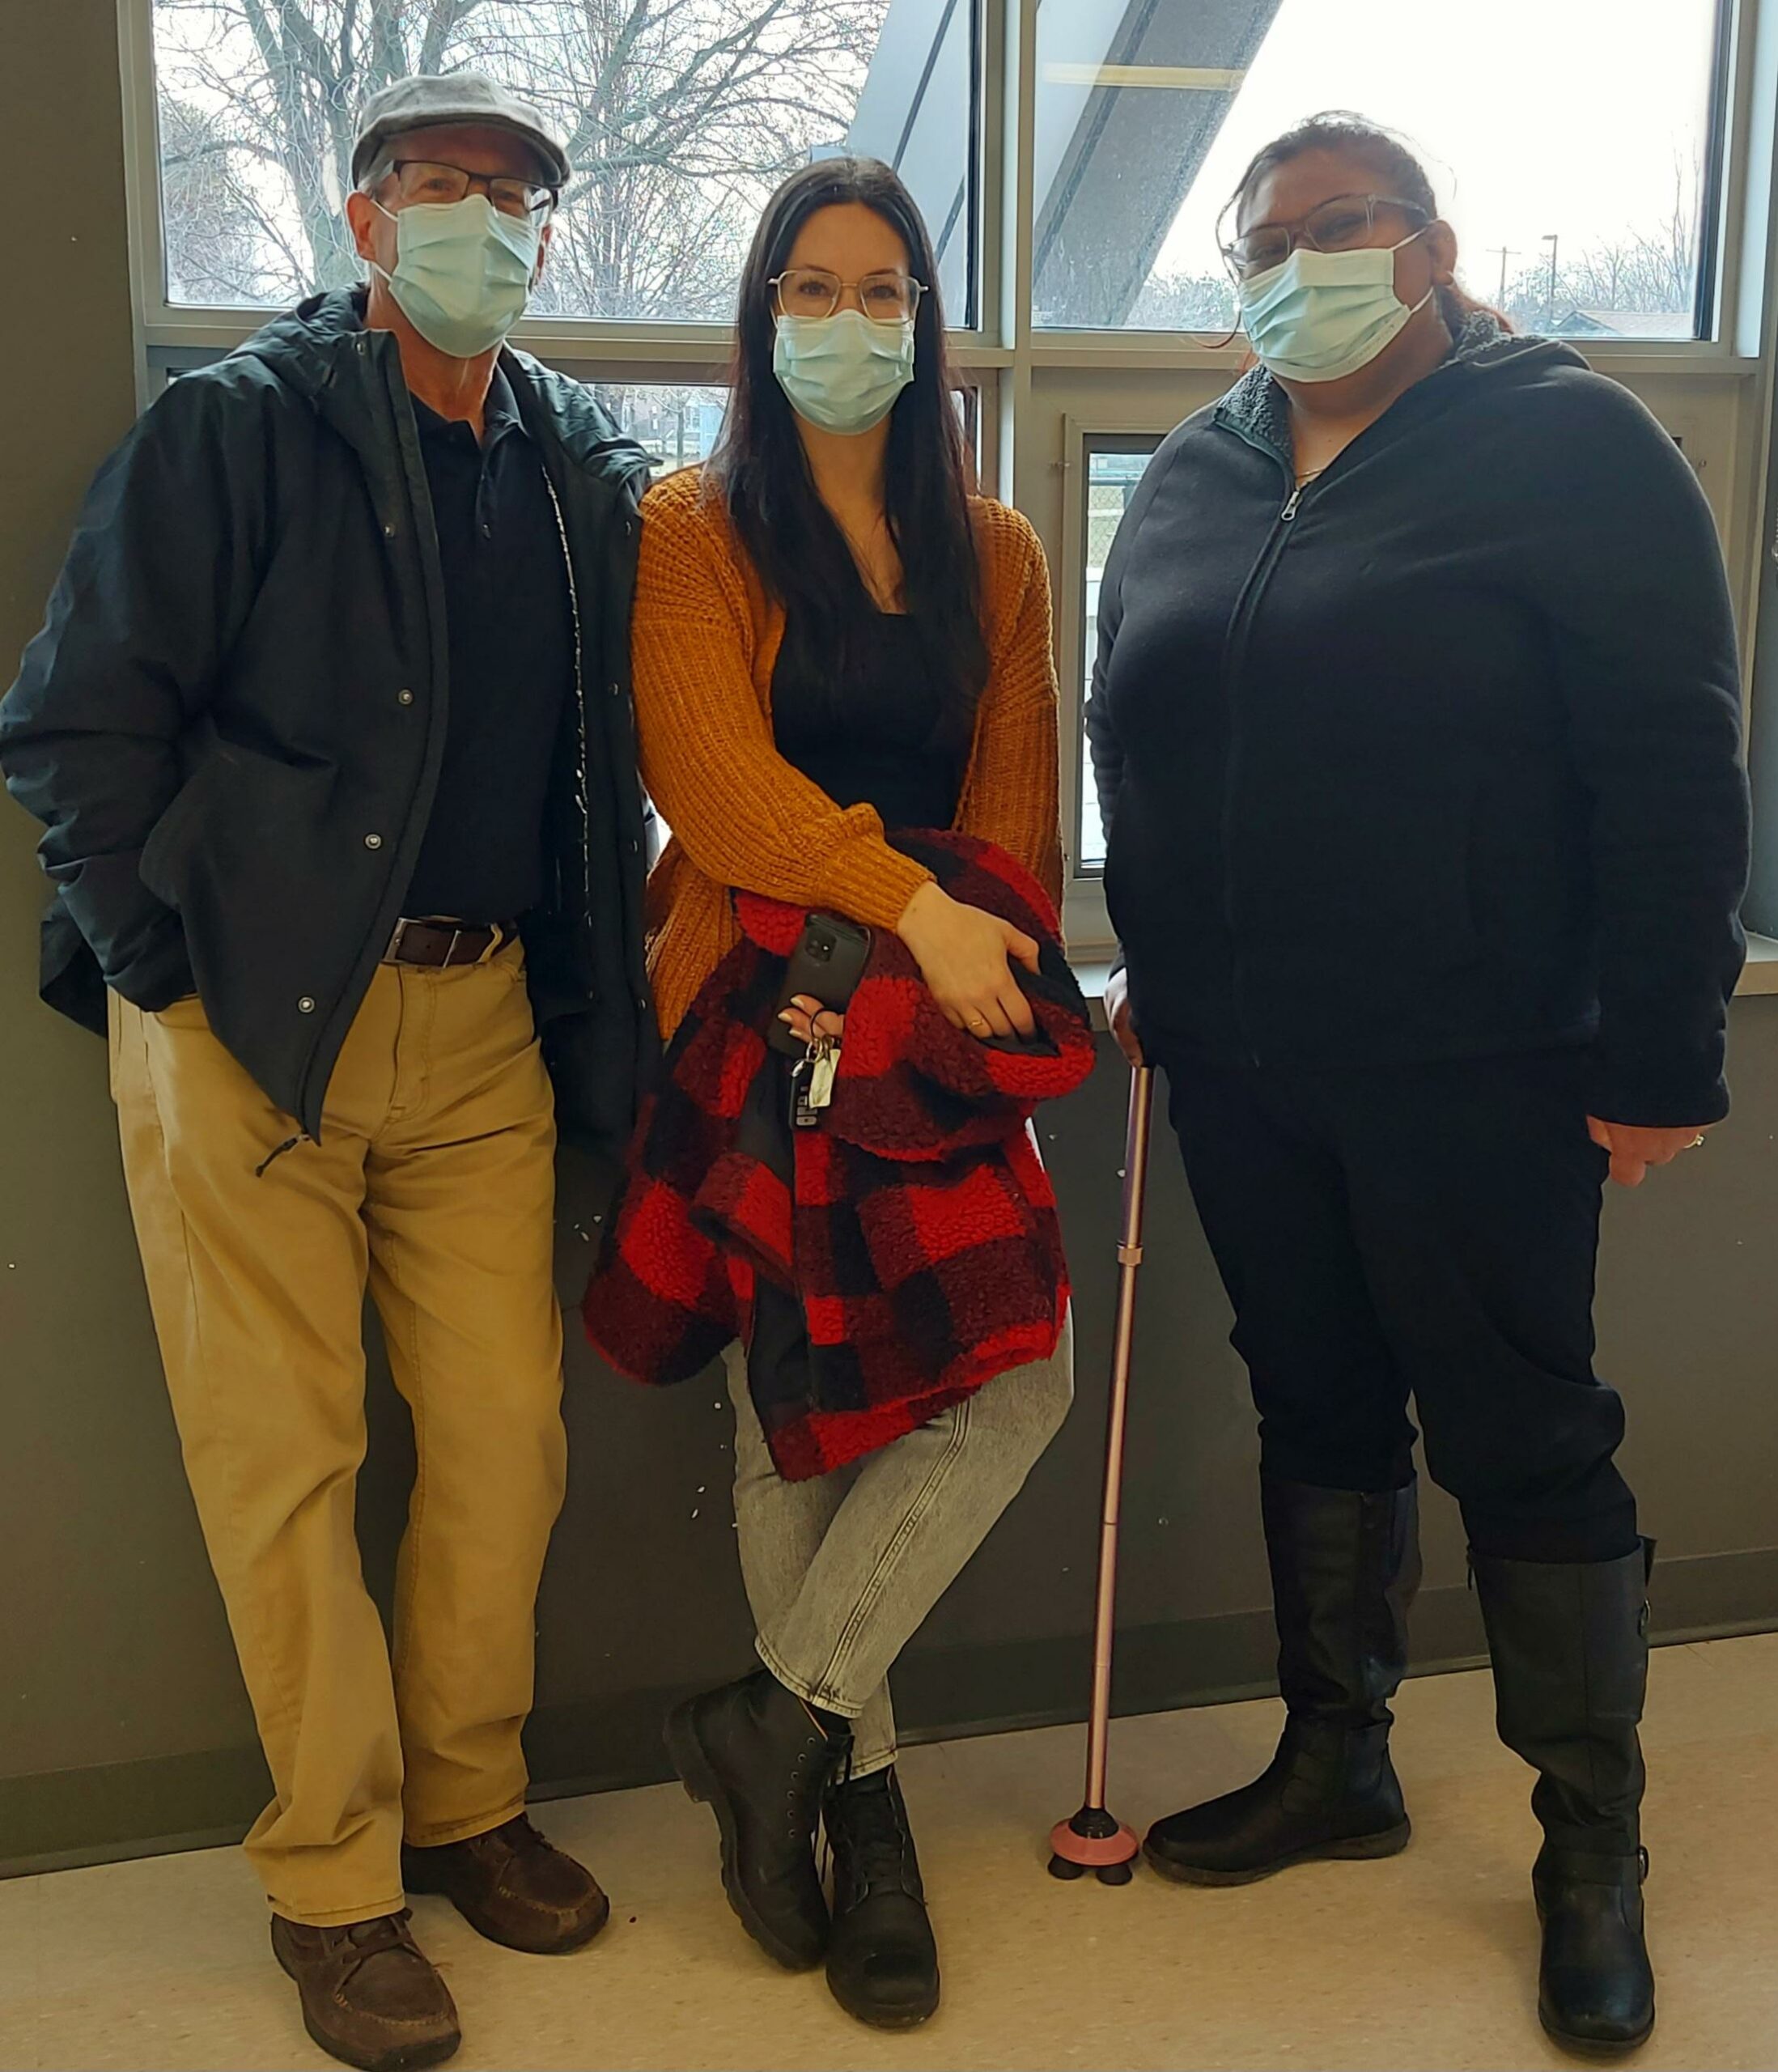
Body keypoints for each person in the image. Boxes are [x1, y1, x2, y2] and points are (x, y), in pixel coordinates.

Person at [0, 74, 654, 2072]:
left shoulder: (567, 459)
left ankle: (466, 1798)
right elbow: (71, 728)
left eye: (519, 197)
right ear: (365, 224)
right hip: (249, 1025)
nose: (490, 225)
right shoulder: (233, 428)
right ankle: (333, 1877)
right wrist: (167, 973)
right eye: (447, 191)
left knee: (501, 1437)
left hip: (482, 1026)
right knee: (285, 1469)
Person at [1087, 113, 1749, 2057]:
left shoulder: (1571, 441)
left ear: (1428, 242)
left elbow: (1672, 770)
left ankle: (1589, 1844)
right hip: (1242, 1061)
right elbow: (1145, 718)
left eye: (1337, 226)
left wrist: (1659, 1054)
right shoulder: (1202, 466)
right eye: (1260, 241)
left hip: (1480, 1060)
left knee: (1523, 1439)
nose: (1297, 262)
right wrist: (1160, 960)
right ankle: (1336, 1756)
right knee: (1315, 1405)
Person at [617, 158, 1074, 2031]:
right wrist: (897, 901)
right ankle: (860, 1803)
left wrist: (944, 956)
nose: (845, 319)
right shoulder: (693, 527)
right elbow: (714, 791)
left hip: (928, 1021)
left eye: (882, 289)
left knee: (1007, 1377)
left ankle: (776, 1719)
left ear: (924, 322)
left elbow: (1019, 817)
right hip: (751, 1008)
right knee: (792, 1406)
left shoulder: (1006, 550)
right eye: (808, 287)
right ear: (759, 314)